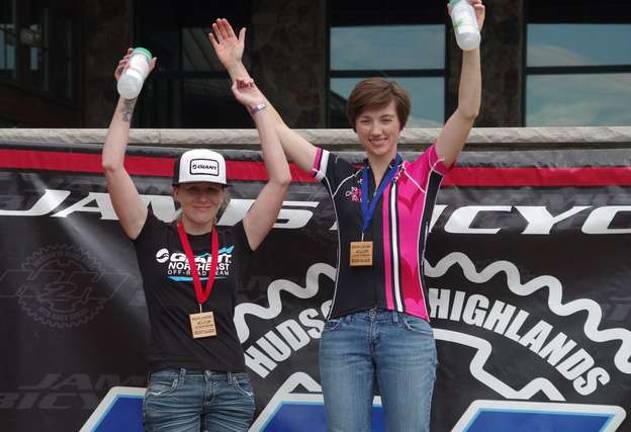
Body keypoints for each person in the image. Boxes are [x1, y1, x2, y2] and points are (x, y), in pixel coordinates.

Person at [210, 1, 484, 430]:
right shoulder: (339, 174)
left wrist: (471, 45)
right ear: (356, 126)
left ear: (401, 124)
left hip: (406, 330)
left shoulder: (421, 173)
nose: (377, 130)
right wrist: (235, 68)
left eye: (386, 120)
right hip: (344, 333)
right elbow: (279, 132)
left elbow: (466, 112)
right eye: (367, 121)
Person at [102, 48, 291, 431]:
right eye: (192, 189)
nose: (202, 198)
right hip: (173, 386)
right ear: (175, 192)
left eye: (211, 189)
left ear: (223, 195)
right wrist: (129, 93)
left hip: (231, 384)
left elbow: (281, 178)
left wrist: (257, 106)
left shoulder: (238, 238)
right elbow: (111, 164)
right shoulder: (150, 232)